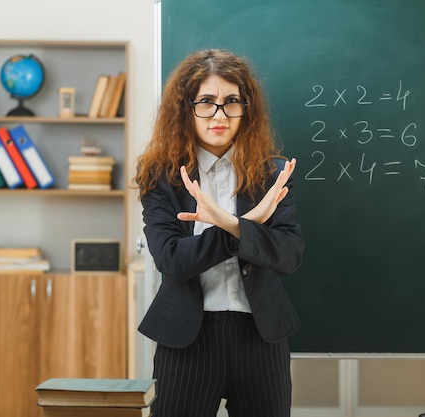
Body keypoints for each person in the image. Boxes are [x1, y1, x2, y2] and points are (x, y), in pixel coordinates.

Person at [133, 48, 305, 417]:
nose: (220, 115)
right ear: (186, 108)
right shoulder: (159, 176)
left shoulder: (273, 175)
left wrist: (228, 223)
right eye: (206, 102)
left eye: (232, 102)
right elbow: (173, 260)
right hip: (188, 340)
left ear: (247, 109)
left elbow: (289, 254)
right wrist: (247, 227)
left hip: (260, 338)